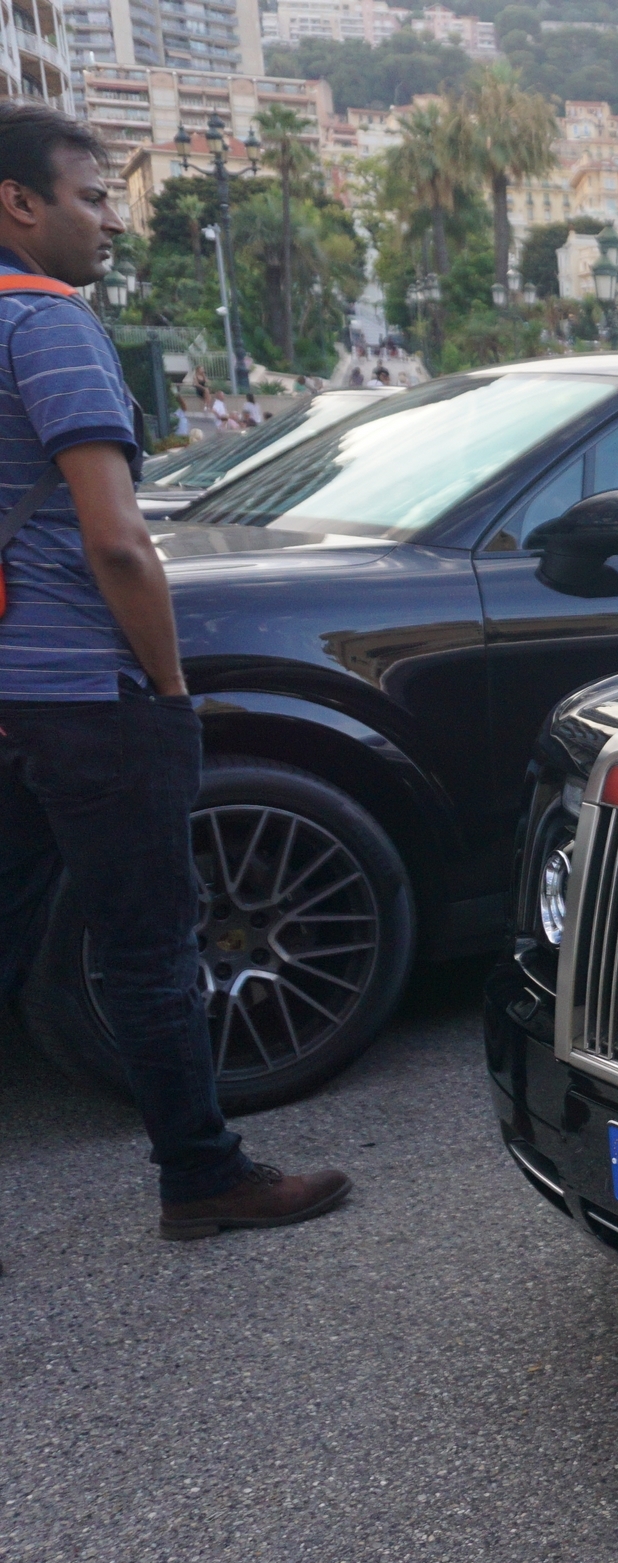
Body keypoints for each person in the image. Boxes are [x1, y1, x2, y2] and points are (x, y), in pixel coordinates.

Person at [0, 103, 349, 1240]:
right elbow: (116, 539)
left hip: (8, 690)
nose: (110, 222)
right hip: (87, 697)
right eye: (92, 197)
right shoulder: (46, 324)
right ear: (21, 204)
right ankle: (204, 1177)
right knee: (150, 940)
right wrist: (167, 688)